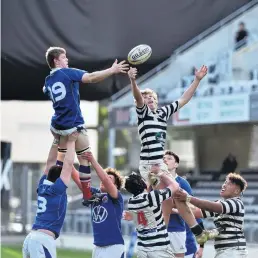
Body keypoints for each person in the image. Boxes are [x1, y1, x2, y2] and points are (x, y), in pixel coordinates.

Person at [43, 46, 128, 205]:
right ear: (56, 61)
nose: (67, 60)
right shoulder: (67, 73)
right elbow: (92, 77)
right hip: (72, 125)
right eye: (64, 57)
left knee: (60, 158)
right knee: (83, 159)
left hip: (56, 125)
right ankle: (87, 195)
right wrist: (112, 70)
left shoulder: (48, 80)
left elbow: (47, 90)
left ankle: (51, 186)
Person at [127, 66, 209, 228]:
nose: (149, 99)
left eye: (151, 97)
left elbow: (184, 99)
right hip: (150, 165)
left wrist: (197, 80)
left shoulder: (163, 113)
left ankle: (193, 231)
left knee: (175, 196)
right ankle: (161, 229)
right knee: (168, 195)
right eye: (146, 98)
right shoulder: (144, 113)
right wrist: (132, 80)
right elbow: (137, 97)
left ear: (156, 101)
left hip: (160, 164)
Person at [22, 132, 78, 258]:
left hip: (31, 237)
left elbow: (50, 161)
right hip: (43, 240)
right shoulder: (57, 189)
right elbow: (68, 164)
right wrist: (71, 141)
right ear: (59, 179)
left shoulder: (43, 185)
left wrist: (56, 139)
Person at [174, 173, 248, 258]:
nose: (224, 185)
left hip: (234, 250)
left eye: (229, 183)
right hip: (224, 251)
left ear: (237, 191)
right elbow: (196, 212)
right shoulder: (221, 204)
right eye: (225, 182)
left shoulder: (236, 202)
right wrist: (175, 208)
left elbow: (211, 207)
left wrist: (188, 198)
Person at [71, 152, 125, 258]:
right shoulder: (95, 194)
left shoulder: (116, 197)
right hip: (97, 247)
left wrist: (93, 161)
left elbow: (104, 178)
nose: (104, 179)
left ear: (115, 186)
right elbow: (77, 178)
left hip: (113, 247)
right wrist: (66, 157)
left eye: (110, 179)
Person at [123, 166, 179, 258]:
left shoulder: (131, 202)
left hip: (142, 249)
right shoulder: (151, 197)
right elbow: (175, 186)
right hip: (159, 248)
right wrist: (161, 174)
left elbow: (145, 194)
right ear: (141, 184)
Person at [163, 150, 204, 258]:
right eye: (164, 158)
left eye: (169, 158)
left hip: (182, 237)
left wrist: (201, 245)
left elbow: (195, 212)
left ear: (176, 164)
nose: (165, 160)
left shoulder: (182, 183)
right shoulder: (156, 183)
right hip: (161, 236)